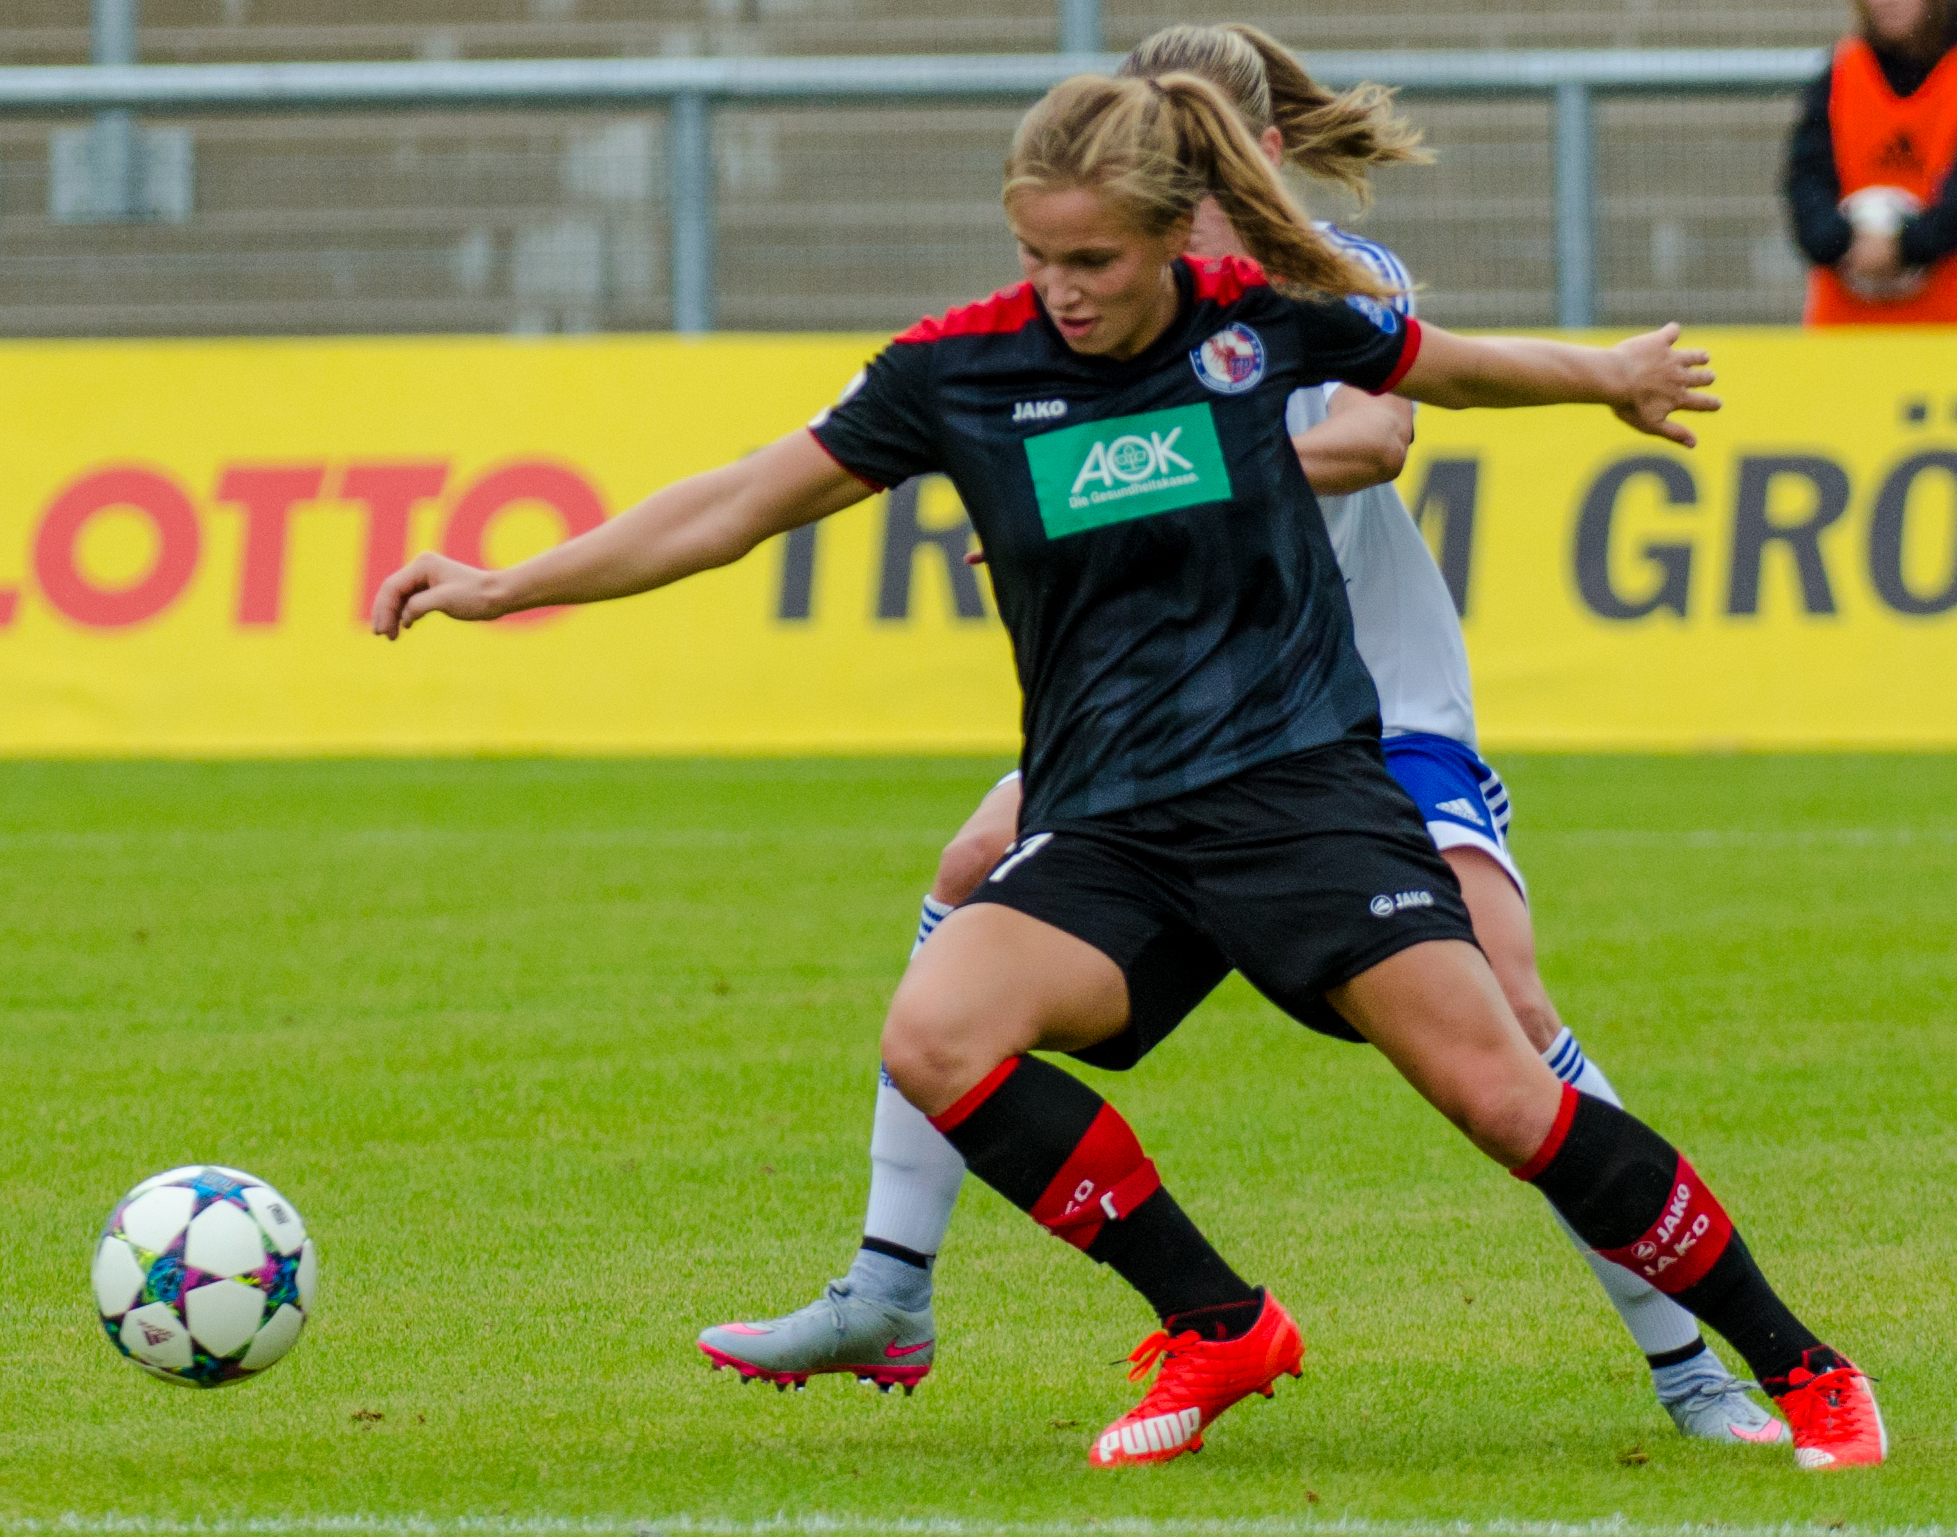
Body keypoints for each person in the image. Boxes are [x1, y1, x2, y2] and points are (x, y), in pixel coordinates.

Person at [371, 66, 1885, 1473]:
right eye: (1041, 257)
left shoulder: (1261, 318)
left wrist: (1608, 373)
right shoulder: (956, 371)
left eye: (1093, 260)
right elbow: (741, 502)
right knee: (938, 1030)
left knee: (1502, 1092)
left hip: (1300, 795)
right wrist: (511, 585)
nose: (1064, 290)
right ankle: (1215, 1323)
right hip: (1109, 818)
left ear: (1169, 234)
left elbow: (1445, 377)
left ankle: (1794, 1364)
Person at [697, 22, 1781, 1447]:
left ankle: (1691, 1367)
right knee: (972, 866)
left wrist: (1089, 484)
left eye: (1197, 140)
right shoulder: (1111, 303)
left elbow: (1372, 437)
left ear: (1254, 148)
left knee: (1507, 1012)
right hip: (1174, 708)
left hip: (1371, 710)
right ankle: (891, 1283)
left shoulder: (1330, 277)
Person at [1787, 0, 1957, 322]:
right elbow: (1807, 182)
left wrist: (1905, 245)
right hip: (1846, 329)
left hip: (1944, 332)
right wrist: (1840, 240)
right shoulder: (1839, 71)